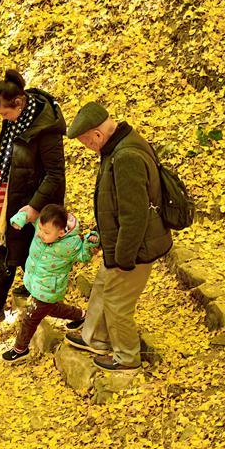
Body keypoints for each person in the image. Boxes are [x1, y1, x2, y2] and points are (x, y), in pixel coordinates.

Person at [63, 102, 173, 370]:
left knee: (116, 302)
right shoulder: (120, 147)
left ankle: (127, 358)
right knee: (102, 285)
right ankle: (95, 338)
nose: (88, 147)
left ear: (97, 135)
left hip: (135, 247)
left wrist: (123, 258)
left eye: (87, 142)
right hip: (123, 242)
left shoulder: (126, 158)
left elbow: (134, 216)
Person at [0, 70, 67, 329]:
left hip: (35, 201)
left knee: (16, 251)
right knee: (12, 250)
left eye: (4, 114)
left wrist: (33, 208)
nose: (3, 119)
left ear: (19, 103)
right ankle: (7, 300)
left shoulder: (46, 129)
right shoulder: (17, 119)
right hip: (13, 193)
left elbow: (56, 175)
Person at [2, 204, 100, 363]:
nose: (40, 234)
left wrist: (90, 243)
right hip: (36, 282)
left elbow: (83, 256)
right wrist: (20, 218)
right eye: (40, 229)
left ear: (61, 232)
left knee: (31, 318)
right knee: (51, 308)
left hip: (49, 288)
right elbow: (29, 215)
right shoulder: (42, 226)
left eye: (46, 232)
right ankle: (82, 316)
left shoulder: (71, 244)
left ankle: (20, 349)